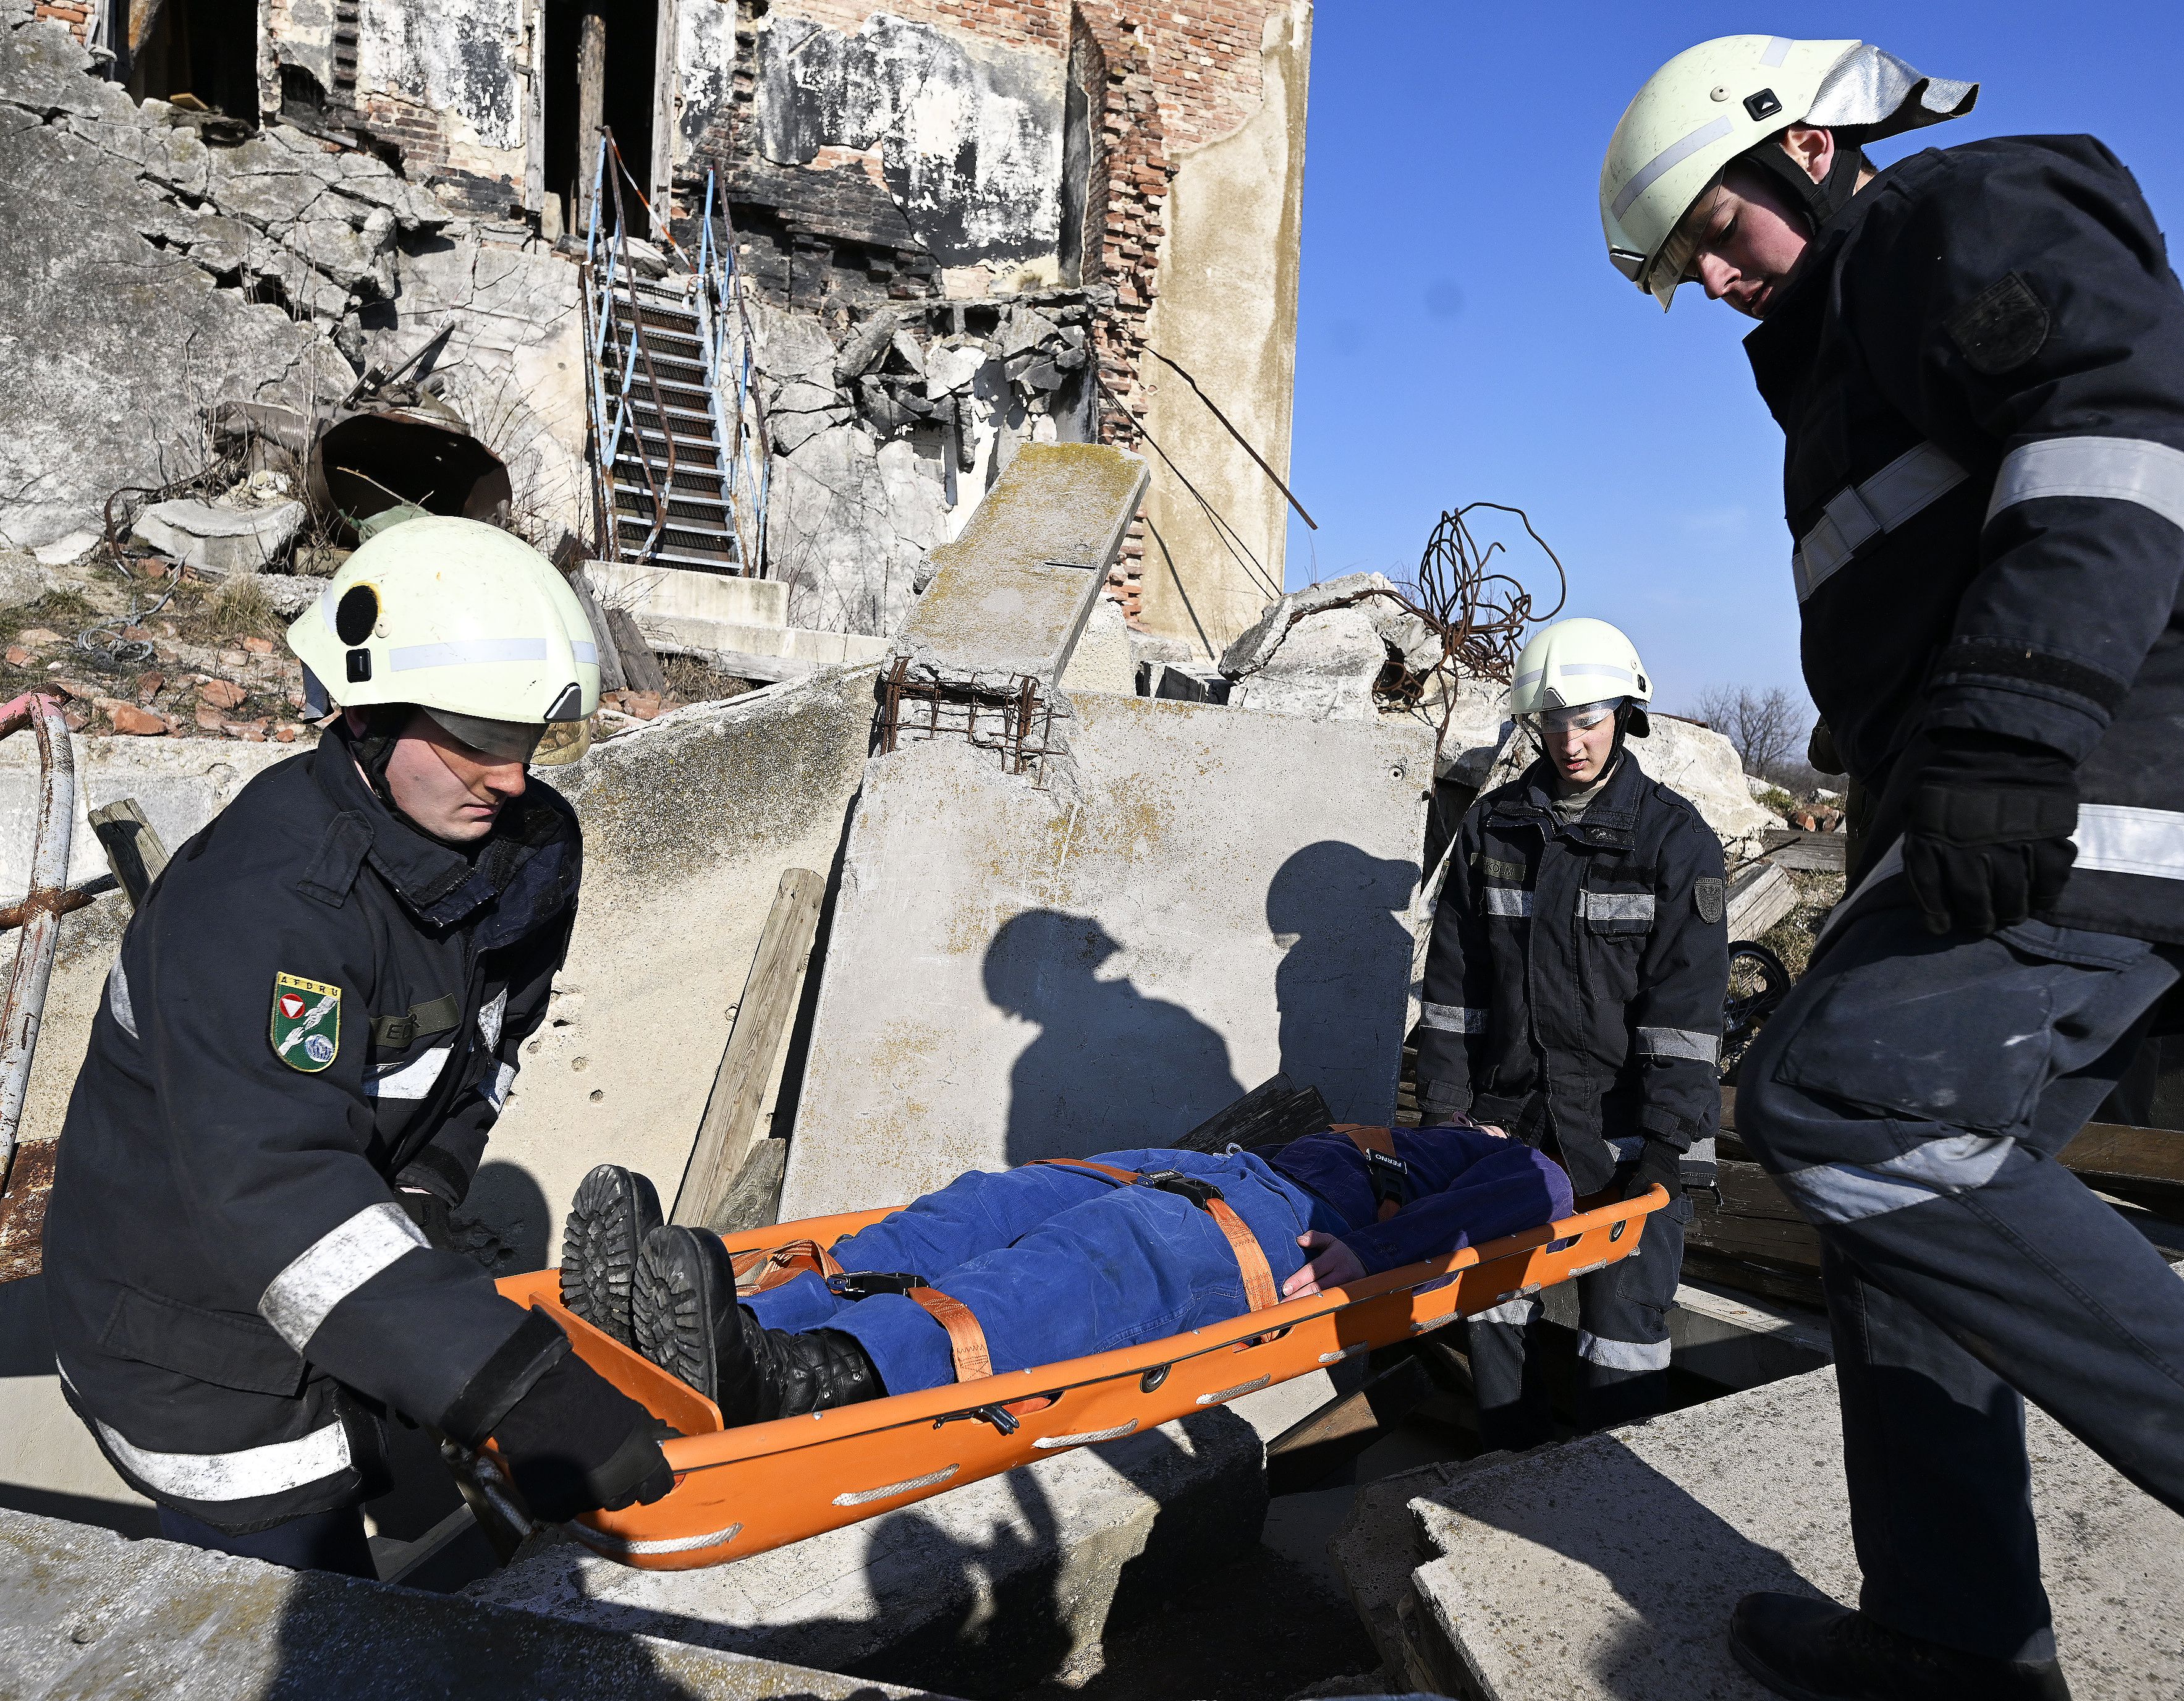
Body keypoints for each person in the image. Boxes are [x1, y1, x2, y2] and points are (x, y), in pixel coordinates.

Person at [1600, 35, 2184, 1700]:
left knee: (1843, 1106)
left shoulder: (1959, 213)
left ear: (1805, 150)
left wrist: (2006, 731)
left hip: (2102, 786)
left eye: (1720, 231)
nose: (1713, 282)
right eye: (1688, 267)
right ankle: (1951, 1644)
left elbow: (2120, 431)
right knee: (1898, 1226)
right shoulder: (1841, 349)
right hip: (2013, 790)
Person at [41, 517, 672, 1576]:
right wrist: (511, 1386)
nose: (509, 777)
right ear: (368, 720)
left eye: (530, 740)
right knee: (297, 1628)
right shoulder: (262, 910)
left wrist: (424, 1186)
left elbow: (480, 1049)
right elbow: (277, 1193)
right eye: (475, 735)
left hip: (331, 1298)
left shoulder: (512, 859)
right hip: (194, 1355)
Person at [557, 1123, 1573, 1419]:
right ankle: (727, 1318)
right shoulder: (1393, 1122)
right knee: (982, 1208)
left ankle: (805, 1374)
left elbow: (1541, 1187)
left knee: (1096, 1264)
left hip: (1287, 1231)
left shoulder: (1500, 1157)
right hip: (1203, 1167)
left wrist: (1384, 1254)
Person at [1415, 617, 1727, 1446]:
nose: (1569, 741)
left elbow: (1685, 1017)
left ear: (1624, 713)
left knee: (1623, 1334)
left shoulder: (1672, 839)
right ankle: (1503, 1476)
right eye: (1550, 723)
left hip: (1628, 1129)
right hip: (1510, 1120)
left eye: (1586, 719)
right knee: (1491, 1307)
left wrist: (1668, 1146)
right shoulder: (1494, 828)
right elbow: (1453, 993)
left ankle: (1613, 1506)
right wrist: (1447, 1118)